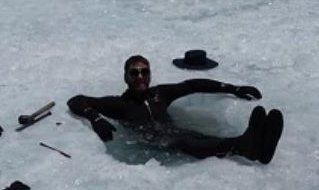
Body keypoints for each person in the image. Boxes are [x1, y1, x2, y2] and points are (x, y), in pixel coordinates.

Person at [67, 55, 284, 163]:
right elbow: (76, 100)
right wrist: (95, 118)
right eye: (135, 73)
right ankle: (243, 146)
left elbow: (193, 85)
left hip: (177, 134)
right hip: (154, 146)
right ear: (125, 76)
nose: (141, 77)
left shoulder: (159, 94)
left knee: (194, 136)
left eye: (145, 71)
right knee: (181, 141)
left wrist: (232, 88)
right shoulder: (119, 105)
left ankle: (256, 146)